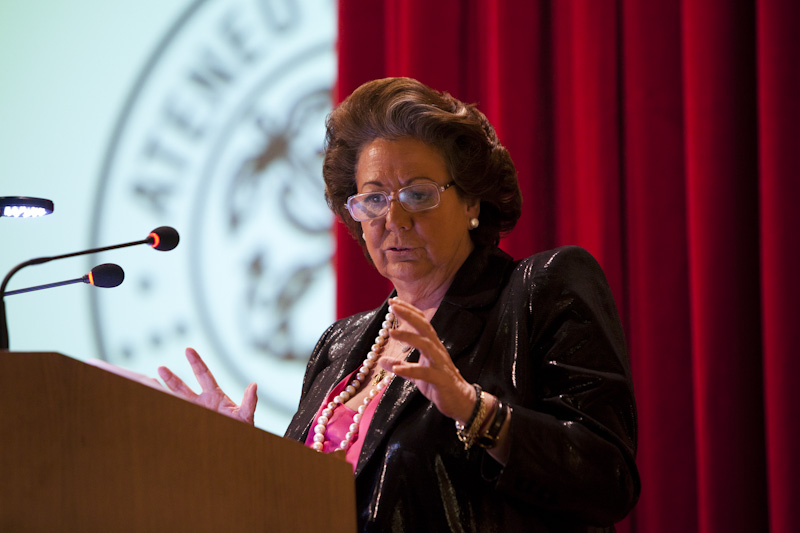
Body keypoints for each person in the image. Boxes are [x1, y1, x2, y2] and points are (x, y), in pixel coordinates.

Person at [158, 77, 640, 531]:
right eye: (373, 199)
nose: (395, 218)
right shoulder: (340, 344)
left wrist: (476, 412)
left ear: (471, 202)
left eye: (418, 194)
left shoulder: (540, 289)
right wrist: (246, 458)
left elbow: (608, 477)